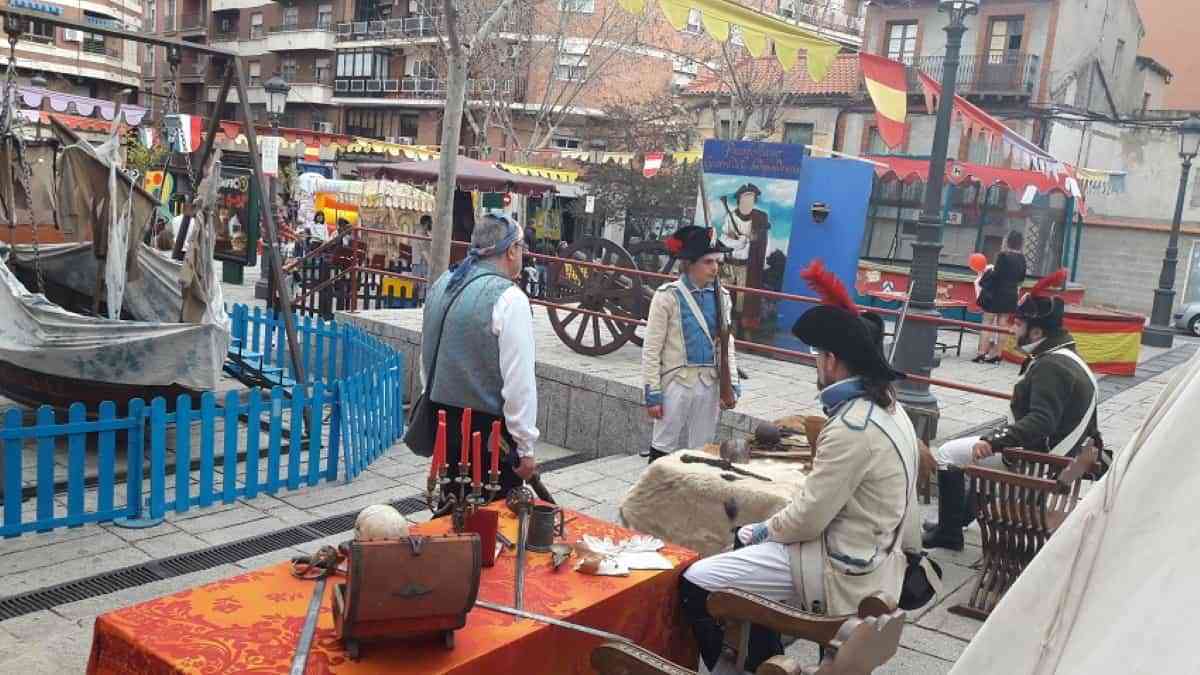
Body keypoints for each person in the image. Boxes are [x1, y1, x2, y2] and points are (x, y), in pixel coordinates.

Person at [679, 260, 919, 675]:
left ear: (832, 360)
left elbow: (807, 520)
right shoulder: (892, 411)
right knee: (750, 556)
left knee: (697, 580)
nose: (815, 365)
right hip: (875, 559)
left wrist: (759, 531)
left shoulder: (851, 426)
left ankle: (752, 666)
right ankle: (764, 657)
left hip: (839, 568)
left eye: (817, 356)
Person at [923, 268, 1103, 551]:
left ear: (1037, 331)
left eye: (1018, 325)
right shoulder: (1064, 355)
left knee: (948, 454)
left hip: (1041, 459)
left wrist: (994, 441)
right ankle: (957, 521)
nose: (1012, 330)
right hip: (1058, 456)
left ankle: (949, 533)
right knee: (978, 457)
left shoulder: (1050, 366)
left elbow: (1041, 421)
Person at [419, 213, 538, 497]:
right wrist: (525, 447)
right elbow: (519, 382)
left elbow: (427, 356)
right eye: (521, 247)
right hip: (490, 436)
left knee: (450, 508)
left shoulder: (444, 283)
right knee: (492, 516)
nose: (522, 254)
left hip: (443, 421)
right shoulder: (511, 299)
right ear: (511, 250)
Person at [641, 226, 740, 464]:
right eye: (708, 262)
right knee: (662, 446)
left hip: (710, 382)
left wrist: (732, 383)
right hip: (677, 381)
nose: (715, 268)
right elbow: (652, 349)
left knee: (703, 449)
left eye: (717, 262)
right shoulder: (667, 295)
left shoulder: (723, 297)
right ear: (690, 263)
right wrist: (653, 394)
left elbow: (727, 345)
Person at [719, 184, 770, 332]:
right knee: (725, 293)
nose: (748, 201)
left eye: (751, 198)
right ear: (739, 199)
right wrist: (737, 243)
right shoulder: (730, 217)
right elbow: (723, 239)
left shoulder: (760, 218)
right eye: (745, 197)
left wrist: (751, 240)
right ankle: (724, 324)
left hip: (746, 266)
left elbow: (762, 242)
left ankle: (740, 327)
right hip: (729, 264)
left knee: (742, 298)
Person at [974, 230, 1027, 363]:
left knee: (987, 323)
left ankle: (981, 353)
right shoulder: (1022, 259)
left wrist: (988, 272)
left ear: (1007, 241)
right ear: (1020, 243)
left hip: (996, 293)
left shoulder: (1003, 256)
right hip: (1011, 294)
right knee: (1003, 325)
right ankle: (997, 355)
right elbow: (1021, 278)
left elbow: (996, 275)